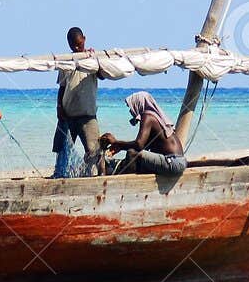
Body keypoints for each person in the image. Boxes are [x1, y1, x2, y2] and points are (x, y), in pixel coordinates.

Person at [52, 26, 103, 178]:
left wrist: (93, 58)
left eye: (79, 43)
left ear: (84, 39)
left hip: (88, 115)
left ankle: (101, 176)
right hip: (68, 115)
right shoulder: (66, 62)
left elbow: (102, 75)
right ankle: (59, 174)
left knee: (95, 151)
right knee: (62, 149)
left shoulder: (93, 59)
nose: (76, 47)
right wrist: (59, 107)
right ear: (68, 44)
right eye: (73, 45)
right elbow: (62, 87)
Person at [101, 91, 187, 177]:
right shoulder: (154, 118)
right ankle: (121, 173)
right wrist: (120, 147)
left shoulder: (147, 116)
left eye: (131, 107)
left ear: (138, 104)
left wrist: (116, 142)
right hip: (178, 162)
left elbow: (139, 145)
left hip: (173, 162)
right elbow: (143, 147)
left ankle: (126, 183)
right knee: (134, 156)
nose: (130, 111)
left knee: (132, 153)